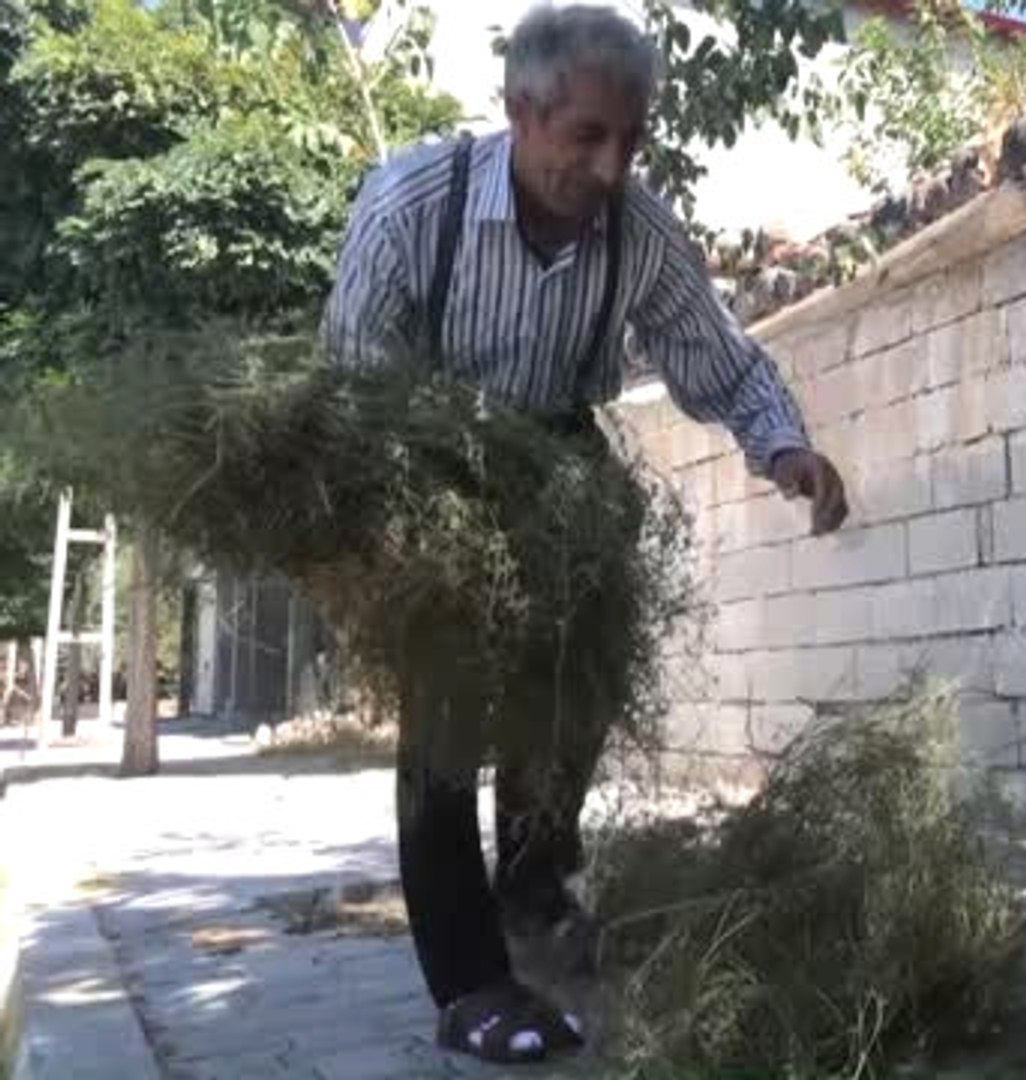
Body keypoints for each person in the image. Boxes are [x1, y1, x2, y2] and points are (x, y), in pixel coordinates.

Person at [321, 3, 849, 1064]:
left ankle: (533, 884)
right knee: (446, 714)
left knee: (578, 677)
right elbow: (351, 394)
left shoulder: (637, 231)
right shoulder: (409, 207)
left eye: (630, 141)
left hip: (557, 456)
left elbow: (717, 355)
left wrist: (784, 445)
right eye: (587, 137)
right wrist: (394, 535)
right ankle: (470, 982)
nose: (611, 168)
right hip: (427, 457)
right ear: (521, 112)